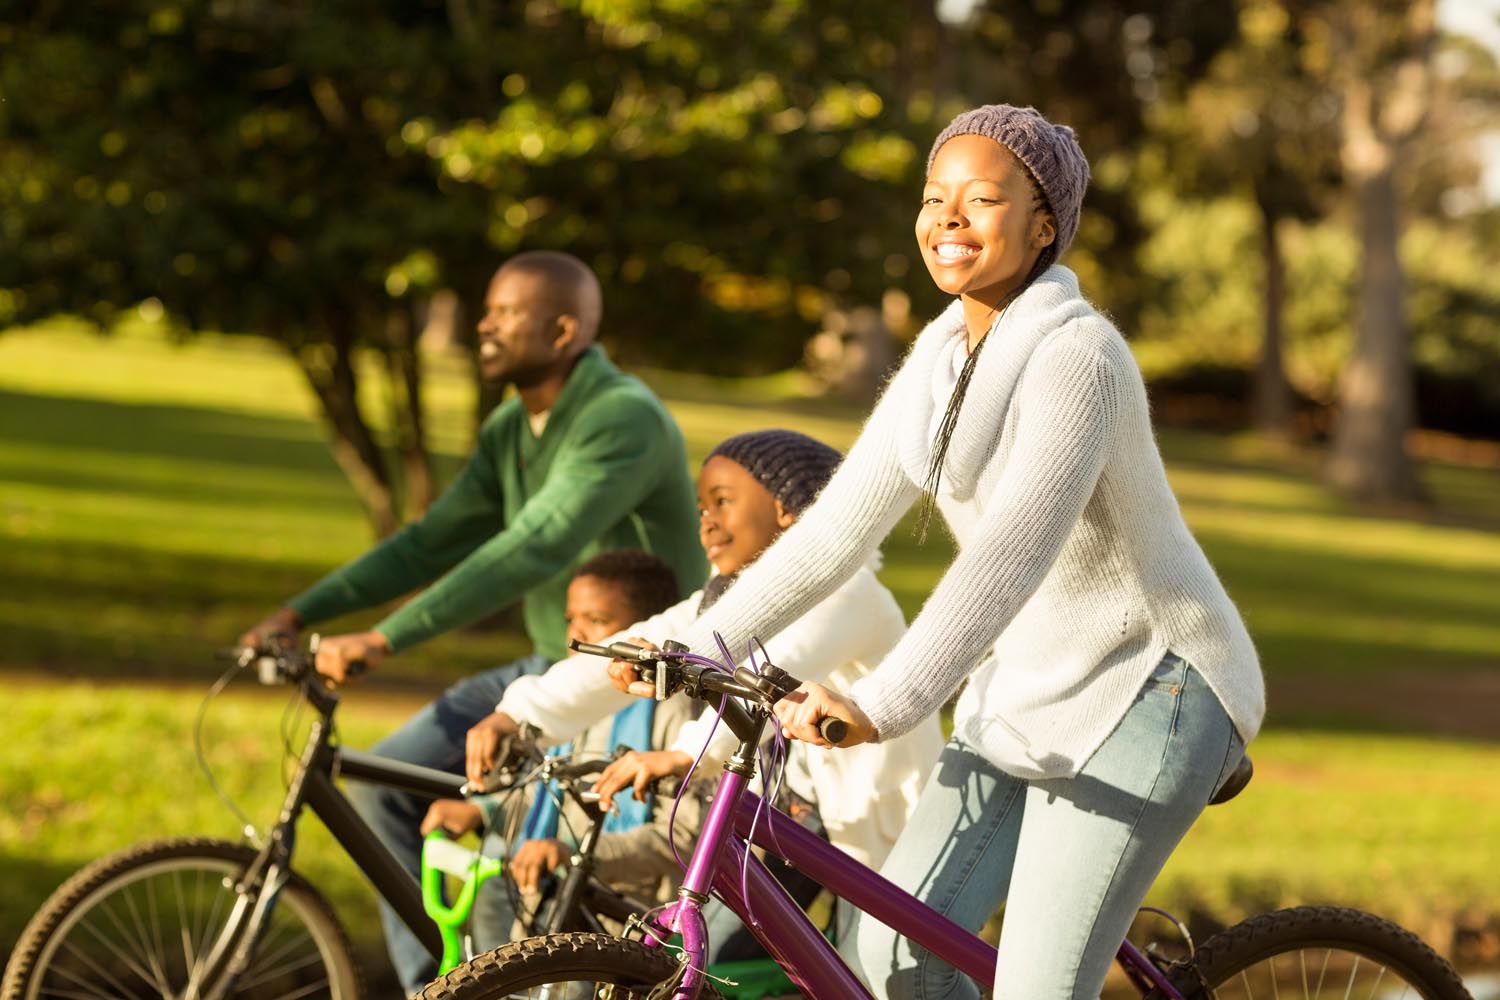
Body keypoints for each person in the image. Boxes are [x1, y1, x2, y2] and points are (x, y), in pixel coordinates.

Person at [614, 106, 1266, 1000]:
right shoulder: (937, 359)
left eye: (982, 199)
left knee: (1038, 988)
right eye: (934, 198)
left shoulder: (1081, 357)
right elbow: (838, 531)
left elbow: (1012, 550)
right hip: (1032, 682)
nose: (948, 218)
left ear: (1045, 227)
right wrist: (700, 646)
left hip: (1155, 685)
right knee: (891, 958)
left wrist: (886, 701)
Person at [239, 250, 705, 993]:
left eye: (504, 312)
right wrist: (304, 612)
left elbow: (534, 545)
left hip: (628, 682)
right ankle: (447, 985)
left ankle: (515, 981)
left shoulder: (622, 418)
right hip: (546, 662)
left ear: (562, 330)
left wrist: (387, 636)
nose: (483, 324)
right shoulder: (513, 428)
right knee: (383, 785)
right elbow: (431, 540)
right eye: (485, 310)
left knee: (519, 843)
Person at [464, 429, 943, 920]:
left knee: (891, 973)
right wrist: (522, 712)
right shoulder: (726, 599)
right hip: (795, 817)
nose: (707, 524)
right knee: (709, 950)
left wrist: (682, 754)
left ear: (790, 509)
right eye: (701, 509)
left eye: (723, 502)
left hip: (882, 828)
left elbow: (767, 673)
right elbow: (643, 640)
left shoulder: (849, 591)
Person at [419, 549, 702, 949]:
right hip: (553, 904)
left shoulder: (673, 714)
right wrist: (481, 811)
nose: (577, 636)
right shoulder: (568, 705)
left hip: (629, 922)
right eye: (572, 619)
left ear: (647, 629)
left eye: (597, 621)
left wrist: (575, 853)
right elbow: (546, 793)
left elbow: (686, 836)